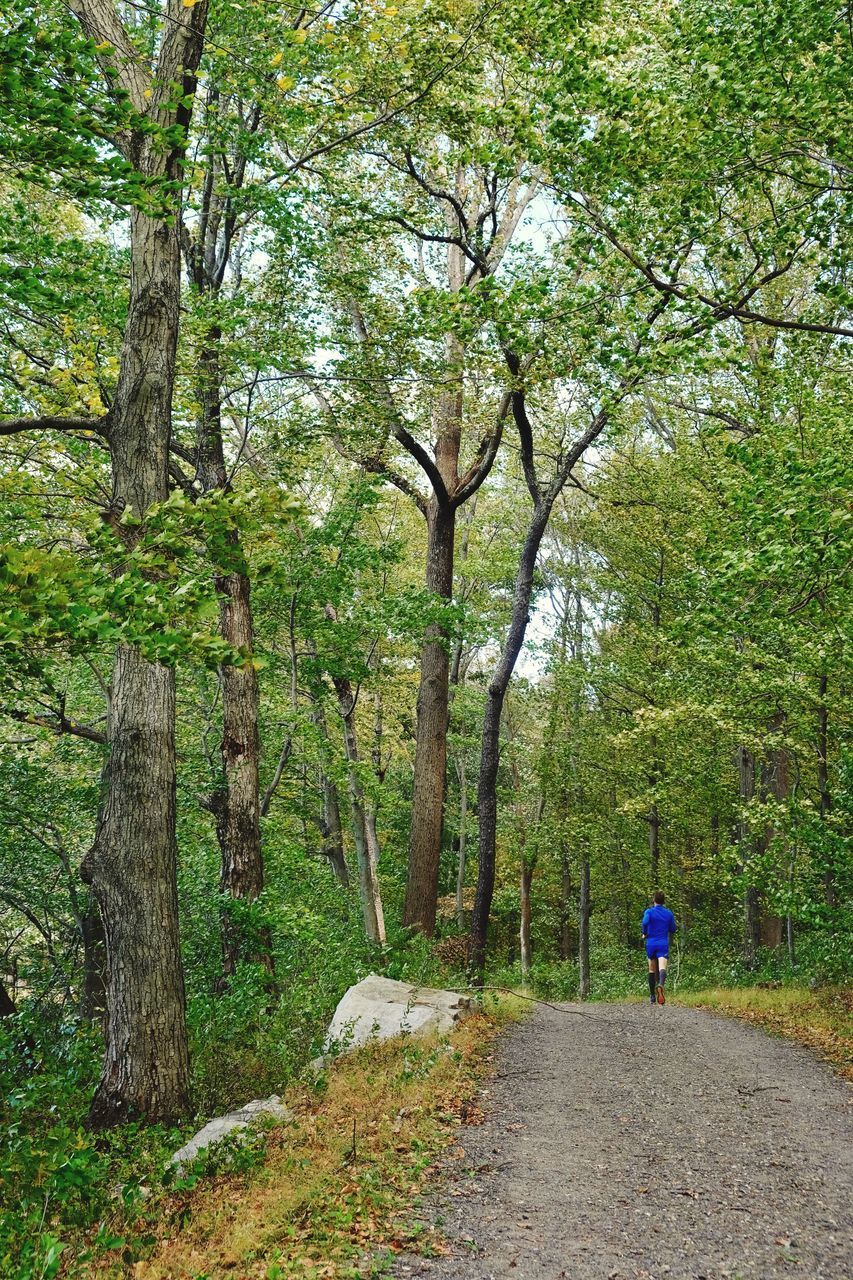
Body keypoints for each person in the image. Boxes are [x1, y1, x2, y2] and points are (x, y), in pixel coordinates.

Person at [642, 891, 676, 1005]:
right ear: (664, 901)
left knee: (651, 969)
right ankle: (660, 984)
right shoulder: (668, 913)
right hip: (662, 943)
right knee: (662, 967)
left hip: (651, 943)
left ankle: (652, 996)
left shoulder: (649, 912)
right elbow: (673, 929)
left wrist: (644, 932)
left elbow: (645, 921)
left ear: (654, 900)